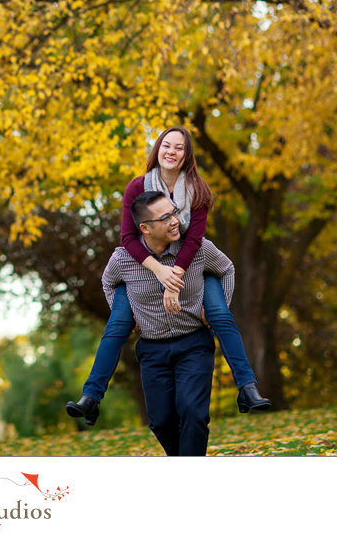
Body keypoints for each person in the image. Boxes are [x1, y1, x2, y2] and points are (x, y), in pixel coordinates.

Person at [66, 126, 269, 426]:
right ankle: (92, 397)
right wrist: (159, 271)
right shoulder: (137, 187)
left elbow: (194, 240)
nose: (171, 152)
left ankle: (247, 388)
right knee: (117, 325)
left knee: (220, 315)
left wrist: (174, 280)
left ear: (187, 156)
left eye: (179, 148)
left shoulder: (197, 190)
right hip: (146, 264)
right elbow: (128, 237)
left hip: (192, 261)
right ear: (157, 149)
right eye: (166, 145)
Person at [102, 190, 231, 455]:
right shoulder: (123, 259)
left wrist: (218, 309)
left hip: (194, 342)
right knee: (161, 423)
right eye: (165, 218)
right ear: (145, 228)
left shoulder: (198, 248)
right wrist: (126, 316)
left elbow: (227, 268)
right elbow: (108, 282)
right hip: (152, 349)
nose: (175, 221)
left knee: (193, 414)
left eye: (174, 212)